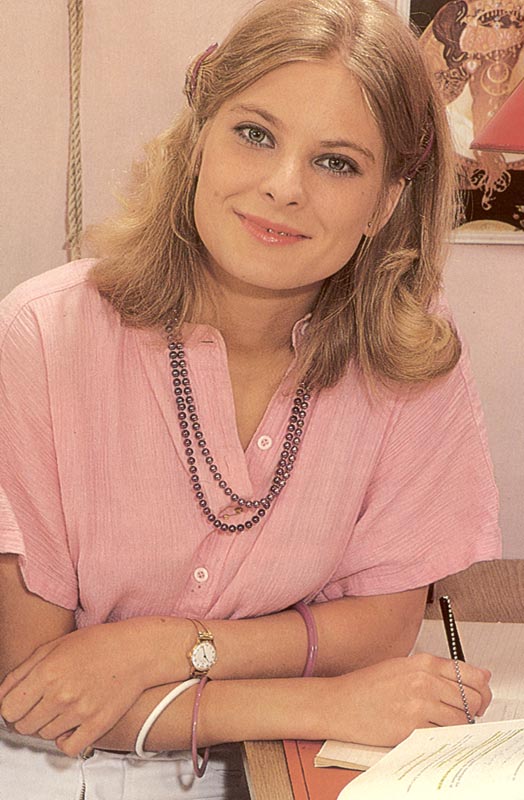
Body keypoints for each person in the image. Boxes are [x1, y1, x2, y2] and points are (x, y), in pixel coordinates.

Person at [0, 0, 501, 798]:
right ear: (199, 137)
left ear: (384, 202)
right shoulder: (42, 335)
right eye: (255, 134)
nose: (282, 188)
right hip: (57, 774)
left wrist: (149, 647)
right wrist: (324, 700)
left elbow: (379, 629)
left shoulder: (413, 358)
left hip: (289, 766)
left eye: (336, 162)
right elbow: (38, 690)